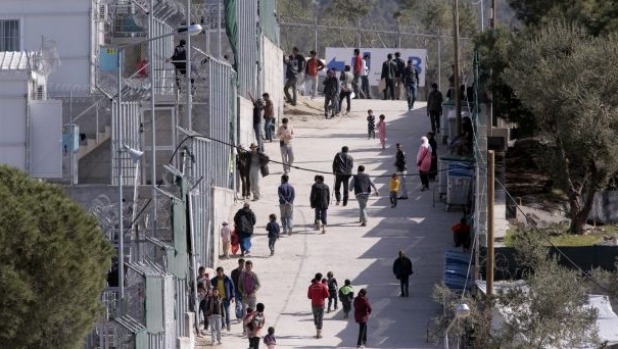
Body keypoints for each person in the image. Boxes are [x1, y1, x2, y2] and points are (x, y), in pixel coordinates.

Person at [210, 266, 235, 332]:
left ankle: (228, 324)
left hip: (227, 298)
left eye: (220, 273)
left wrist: (232, 297)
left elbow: (232, 288)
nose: (218, 274)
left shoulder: (227, 278)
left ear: (222, 272)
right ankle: (223, 325)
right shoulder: (214, 280)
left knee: (227, 312)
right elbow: (210, 285)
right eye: (217, 273)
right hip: (219, 299)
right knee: (222, 313)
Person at [307, 272, 330, 339]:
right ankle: (318, 333)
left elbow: (309, 296)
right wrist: (321, 296)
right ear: (320, 278)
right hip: (321, 304)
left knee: (315, 317)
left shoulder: (311, 286)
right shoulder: (323, 286)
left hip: (314, 304)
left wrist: (314, 297)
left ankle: (317, 328)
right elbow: (327, 295)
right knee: (320, 318)